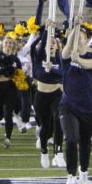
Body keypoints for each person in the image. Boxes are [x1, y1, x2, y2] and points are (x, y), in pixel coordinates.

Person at [59, 23, 92, 184]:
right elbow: (68, 47)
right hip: (68, 106)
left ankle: (84, 171)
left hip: (88, 108)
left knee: (85, 143)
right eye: (74, 39)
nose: (76, 41)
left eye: (80, 38)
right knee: (71, 138)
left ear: (86, 41)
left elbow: (90, 65)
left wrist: (79, 60)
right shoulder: (66, 57)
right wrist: (76, 25)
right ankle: (71, 174)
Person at [31, 26, 64, 168]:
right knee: (45, 125)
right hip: (41, 95)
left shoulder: (60, 59)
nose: (51, 44)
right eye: (48, 42)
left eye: (54, 42)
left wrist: (53, 69)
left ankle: (59, 153)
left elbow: (63, 74)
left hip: (57, 94)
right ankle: (44, 152)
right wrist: (46, 32)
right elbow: (33, 46)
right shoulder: (38, 58)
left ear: (57, 46)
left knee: (58, 120)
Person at [0, 36, 23, 148]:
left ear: (13, 46)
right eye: (6, 43)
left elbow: (20, 73)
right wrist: (1, 70)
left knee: (8, 114)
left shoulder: (15, 59)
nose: (8, 45)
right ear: (2, 44)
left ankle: (8, 138)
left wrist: (19, 79)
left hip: (10, 87)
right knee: (0, 113)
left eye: (10, 43)